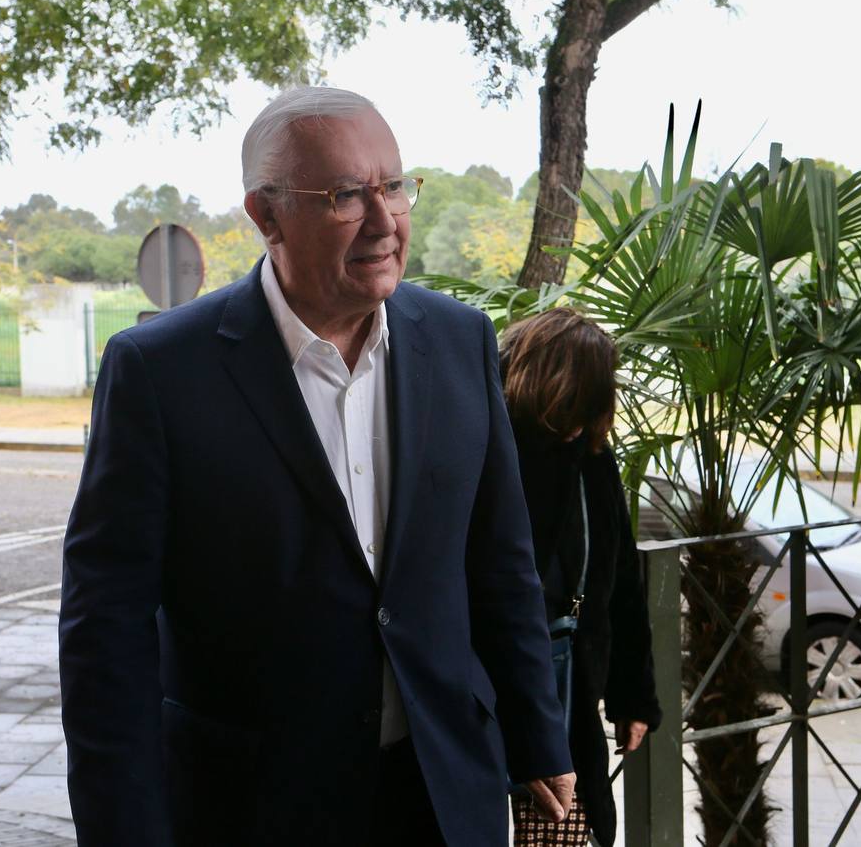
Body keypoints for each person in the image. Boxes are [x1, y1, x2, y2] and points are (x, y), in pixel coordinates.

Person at [59, 86, 575, 846]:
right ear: (266, 216)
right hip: (253, 805)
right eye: (343, 195)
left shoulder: (460, 340)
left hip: (441, 792)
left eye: (393, 186)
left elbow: (501, 562)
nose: (383, 220)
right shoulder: (161, 371)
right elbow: (106, 628)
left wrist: (538, 736)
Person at [499, 308, 662, 847]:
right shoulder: (486, 448)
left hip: (567, 698)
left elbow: (619, 580)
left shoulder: (591, 458)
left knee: (564, 827)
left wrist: (632, 696)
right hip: (484, 696)